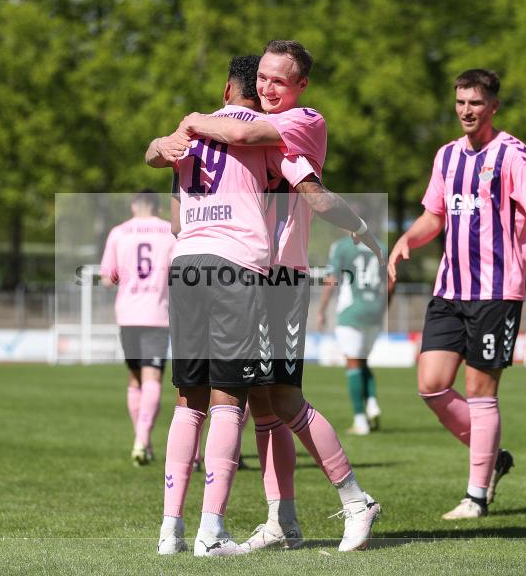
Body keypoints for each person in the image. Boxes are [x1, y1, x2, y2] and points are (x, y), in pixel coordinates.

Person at [175, 40, 383, 553]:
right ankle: (281, 519)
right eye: (263, 78)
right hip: (249, 273)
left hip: (281, 278)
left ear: (301, 87)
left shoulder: (300, 122)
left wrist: (361, 227)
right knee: (263, 403)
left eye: (280, 80)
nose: (268, 88)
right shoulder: (261, 129)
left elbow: (309, 188)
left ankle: (356, 500)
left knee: (284, 397)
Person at [388, 69, 526, 519]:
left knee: (480, 391)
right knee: (430, 385)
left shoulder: (513, 154)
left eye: (476, 103)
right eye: (461, 102)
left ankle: (476, 495)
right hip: (449, 288)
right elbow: (434, 215)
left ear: (493, 107)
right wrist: (408, 239)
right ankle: (493, 455)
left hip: (496, 291)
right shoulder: (446, 156)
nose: (467, 110)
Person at [146, 55, 275, 557]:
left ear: (226, 89)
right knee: (228, 399)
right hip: (235, 262)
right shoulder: (266, 127)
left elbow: (174, 211)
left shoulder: (190, 131)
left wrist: (160, 144)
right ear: (255, 90)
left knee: (188, 399)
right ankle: (211, 530)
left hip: (187, 261)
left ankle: (169, 531)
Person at [99, 189, 175, 466]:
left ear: (133, 206)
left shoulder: (119, 232)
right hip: (157, 313)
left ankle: (143, 440)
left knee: (135, 380)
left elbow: (107, 278)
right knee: (152, 378)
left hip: (127, 314)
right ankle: (142, 440)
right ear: (157, 207)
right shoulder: (168, 231)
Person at [318, 225, 393, 434]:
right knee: (362, 361)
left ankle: (360, 420)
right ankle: (372, 403)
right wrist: (382, 308)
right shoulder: (381, 247)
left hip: (351, 311)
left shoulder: (341, 246)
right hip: (374, 309)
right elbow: (390, 283)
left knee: (352, 363)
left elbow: (331, 280)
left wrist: (321, 310)